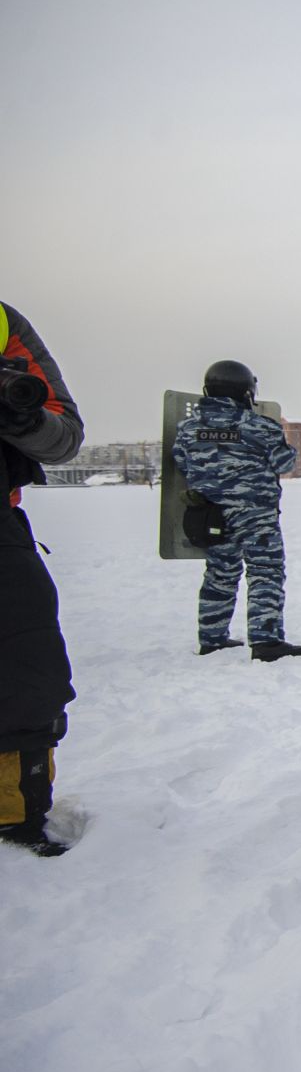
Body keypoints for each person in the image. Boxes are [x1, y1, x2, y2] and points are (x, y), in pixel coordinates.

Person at [1, 301, 83, 856]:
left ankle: (16, 812)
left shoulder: (2, 325)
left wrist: (23, 419)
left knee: (26, 670)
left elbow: (65, 436)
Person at [172, 361, 301, 662]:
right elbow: (284, 463)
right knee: (265, 572)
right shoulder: (259, 425)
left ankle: (212, 638)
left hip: (211, 515)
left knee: (220, 574)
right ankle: (266, 640)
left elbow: (182, 464)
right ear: (246, 391)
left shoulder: (188, 429)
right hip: (255, 515)